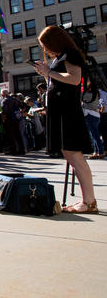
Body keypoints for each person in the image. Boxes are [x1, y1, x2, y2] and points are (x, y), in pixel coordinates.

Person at [33, 26, 98, 213]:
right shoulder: (61, 57)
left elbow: (74, 79)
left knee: (75, 156)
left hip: (68, 111)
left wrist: (49, 73)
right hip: (62, 110)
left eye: (45, 45)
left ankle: (89, 201)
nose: (44, 49)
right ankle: (88, 200)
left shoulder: (70, 54)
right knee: (71, 155)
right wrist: (48, 74)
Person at [82, 81, 104, 160]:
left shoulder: (87, 95)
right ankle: (96, 152)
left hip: (89, 115)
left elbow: (81, 100)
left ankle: (100, 152)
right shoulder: (97, 94)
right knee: (95, 135)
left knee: (95, 135)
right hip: (96, 115)